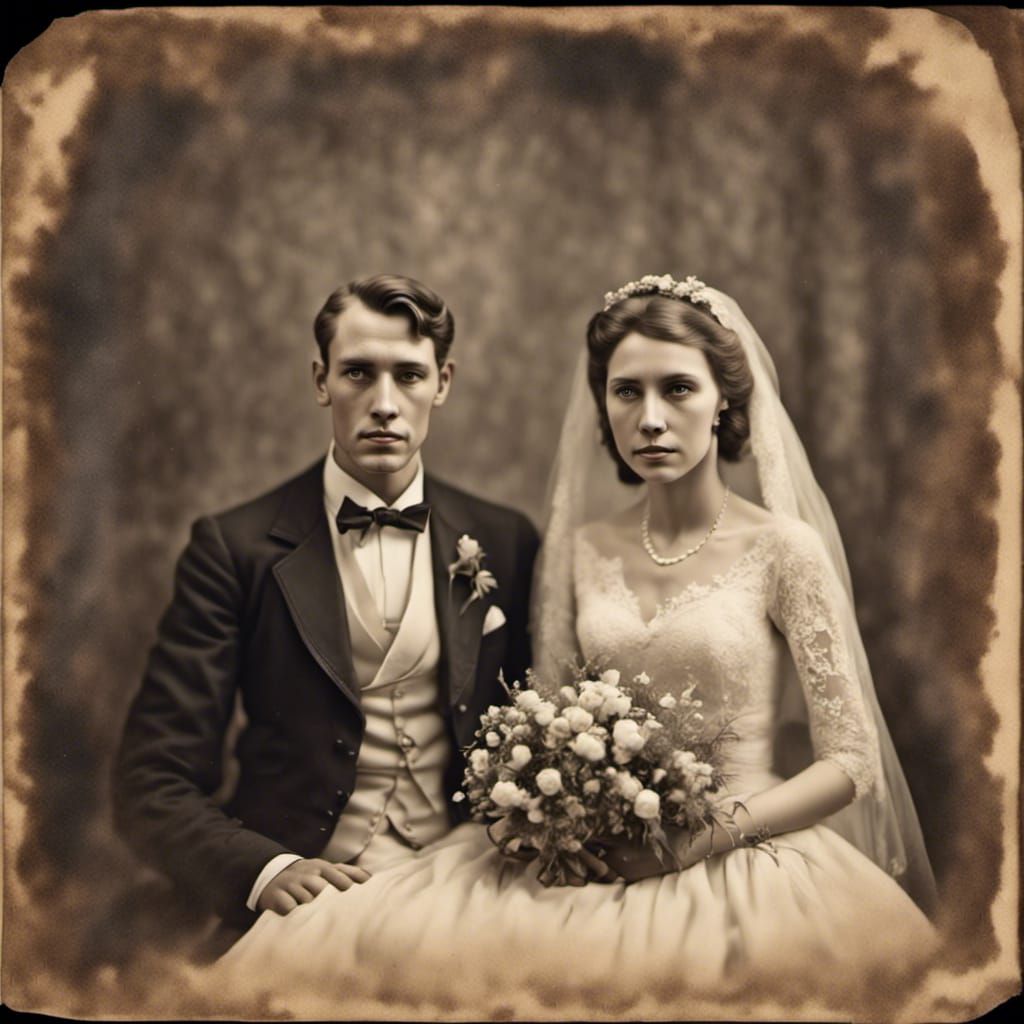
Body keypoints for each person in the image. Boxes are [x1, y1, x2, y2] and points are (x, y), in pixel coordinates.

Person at [204, 276, 937, 1018]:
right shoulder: (579, 550)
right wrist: (551, 821)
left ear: (724, 401)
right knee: (363, 953)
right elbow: (544, 714)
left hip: (743, 854)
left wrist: (699, 840)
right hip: (591, 851)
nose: (651, 419)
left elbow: (851, 760)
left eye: (678, 389)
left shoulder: (784, 549)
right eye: (627, 392)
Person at [113, 274, 539, 944]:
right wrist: (265, 870)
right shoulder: (235, 548)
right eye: (358, 374)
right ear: (321, 381)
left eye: (409, 375)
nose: (385, 404)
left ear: (443, 382)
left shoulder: (506, 540)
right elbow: (150, 780)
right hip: (308, 894)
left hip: (469, 879)